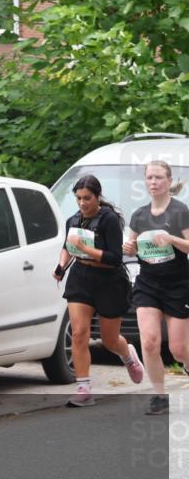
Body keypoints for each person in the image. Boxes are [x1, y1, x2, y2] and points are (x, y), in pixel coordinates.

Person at [53, 175, 144, 407]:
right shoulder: (73, 220)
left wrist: (86, 249)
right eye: (78, 198)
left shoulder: (109, 220)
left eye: (87, 198)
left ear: (97, 197)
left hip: (108, 281)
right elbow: (68, 247)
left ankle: (128, 355)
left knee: (109, 339)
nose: (83, 203)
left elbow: (114, 258)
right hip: (81, 279)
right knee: (79, 333)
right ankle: (83, 387)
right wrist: (61, 266)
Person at [122, 160, 189, 415]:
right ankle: (160, 397)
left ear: (169, 181)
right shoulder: (139, 215)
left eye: (159, 177)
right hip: (147, 283)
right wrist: (129, 247)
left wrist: (171, 238)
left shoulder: (180, 211)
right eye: (149, 177)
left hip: (177, 284)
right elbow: (132, 245)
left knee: (179, 349)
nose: (153, 182)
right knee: (149, 342)